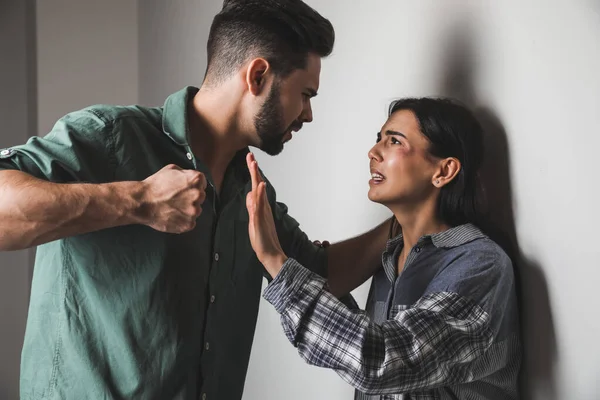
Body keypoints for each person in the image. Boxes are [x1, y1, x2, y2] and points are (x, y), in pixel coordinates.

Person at [0, 1, 390, 399]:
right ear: (258, 75)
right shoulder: (111, 135)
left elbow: (316, 274)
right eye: (305, 94)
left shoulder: (252, 190)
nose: (307, 114)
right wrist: (139, 201)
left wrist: (411, 219)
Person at [246, 97, 522, 399]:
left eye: (394, 141)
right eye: (379, 139)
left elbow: (381, 361)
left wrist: (274, 259)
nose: (373, 152)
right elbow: (363, 345)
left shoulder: (480, 266)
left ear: (443, 172)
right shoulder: (390, 261)